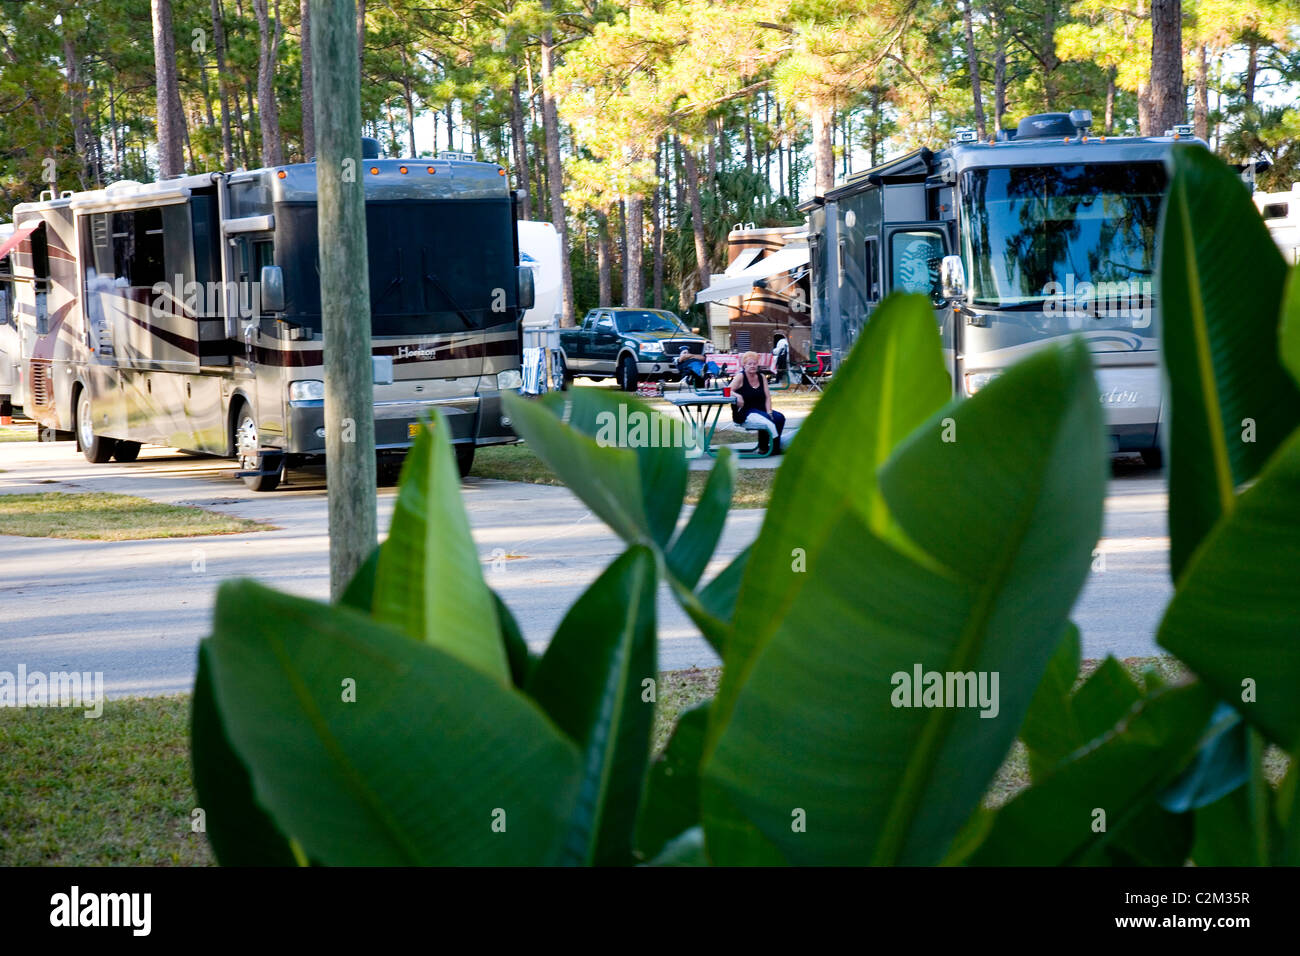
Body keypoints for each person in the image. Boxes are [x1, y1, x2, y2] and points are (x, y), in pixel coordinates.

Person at [730, 350, 785, 454]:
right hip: (746, 411)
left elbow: (767, 396)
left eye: (755, 363)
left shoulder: (761, 377)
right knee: (766, 418)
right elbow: (727, 391)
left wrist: (769, 411)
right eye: (749, 364)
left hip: (761, 409)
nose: (752, 366)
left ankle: (772, 446)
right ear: (744, 365)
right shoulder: (740, 377)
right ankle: (767, 448)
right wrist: (738, 395)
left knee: (779, 417)